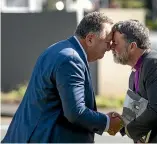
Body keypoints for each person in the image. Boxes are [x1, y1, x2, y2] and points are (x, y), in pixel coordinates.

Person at [2, 12, 122, 143]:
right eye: (107, 41)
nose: (110, 47)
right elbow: (76, 112)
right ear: (90, 39)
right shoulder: (71, 59)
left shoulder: (60, 49)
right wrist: (108, 123)